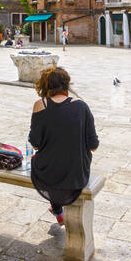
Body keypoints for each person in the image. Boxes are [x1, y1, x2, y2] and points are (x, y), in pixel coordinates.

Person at [27, 66, 99, 225]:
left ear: (45, 85)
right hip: (77, 174)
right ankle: (58, 209)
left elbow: (36, 144)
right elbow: (93, 146)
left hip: (48, 172)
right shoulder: (82, 106)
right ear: (66, 85)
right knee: (64, 160)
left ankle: (57, 209)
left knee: (49, 161)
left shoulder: (40, 105)